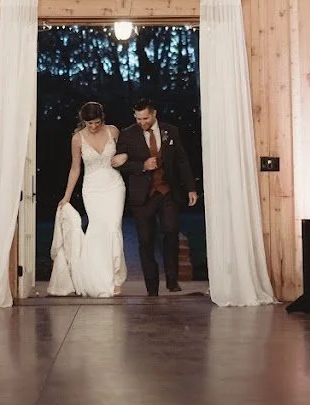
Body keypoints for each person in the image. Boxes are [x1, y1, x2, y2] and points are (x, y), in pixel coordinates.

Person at [116, 98, 198, 296]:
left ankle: (172, 281)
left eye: (145, 118)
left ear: (154, 114)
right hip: (142, 196)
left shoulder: (171, 130)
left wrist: (190, 188)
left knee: (170, 232)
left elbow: (181, 161)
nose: (141, 122)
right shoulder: (127, 134)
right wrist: (142, 166)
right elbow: (120, 164)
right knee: (146, 241)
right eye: (138, 118)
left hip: (168, 192)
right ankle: (151, 288)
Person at [47, 102, 129, 298]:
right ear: (83, 120)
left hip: (114, 186)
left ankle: (115, 278)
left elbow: (129, 152)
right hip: (92, 189)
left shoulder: (113, 131)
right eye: (89, 123)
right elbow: (75, 169)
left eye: (97, 122)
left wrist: (124, 156)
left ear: (103, 118)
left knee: (113, 228)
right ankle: (98, 277)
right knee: (97, 230)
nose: (93, 126)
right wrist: (66, 196)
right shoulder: (77, 138)